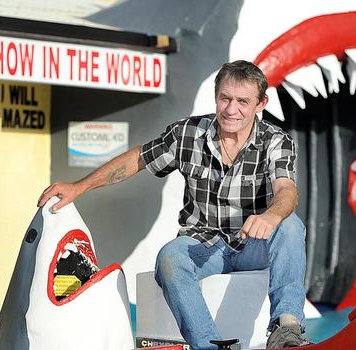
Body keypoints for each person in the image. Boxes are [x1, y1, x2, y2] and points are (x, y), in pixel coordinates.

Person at [38, 60, 308, 349]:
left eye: (243, 101)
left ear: (260, 103)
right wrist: (79, 186)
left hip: (253, 243)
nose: (231, 109)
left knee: (290, 225)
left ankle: (286, 328)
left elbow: (286, 191)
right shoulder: (187, 134)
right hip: (202, 244)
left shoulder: (276, 141)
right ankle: (210, 346)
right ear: (216, 95)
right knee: (169, 257)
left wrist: (270, 215)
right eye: (225, 98)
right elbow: (136, 160)